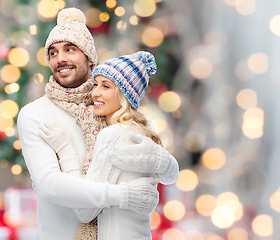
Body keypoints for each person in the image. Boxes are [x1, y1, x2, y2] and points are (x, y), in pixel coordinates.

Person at [17, 8, 162, 240]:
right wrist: (123, 195)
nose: (60, 59)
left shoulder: (111, 108)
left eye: (70, 49)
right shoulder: (34, 114)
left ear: (89, 57)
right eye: (52, 53)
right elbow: (49, 184)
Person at [39, 51, 179, 240]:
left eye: (106, 86)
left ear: (124, 94)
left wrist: (66, 149)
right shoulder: (142, 131)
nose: (95, 92)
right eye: (96, 84)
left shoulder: (112, 135)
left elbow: (84, 210)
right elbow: (171, 174)